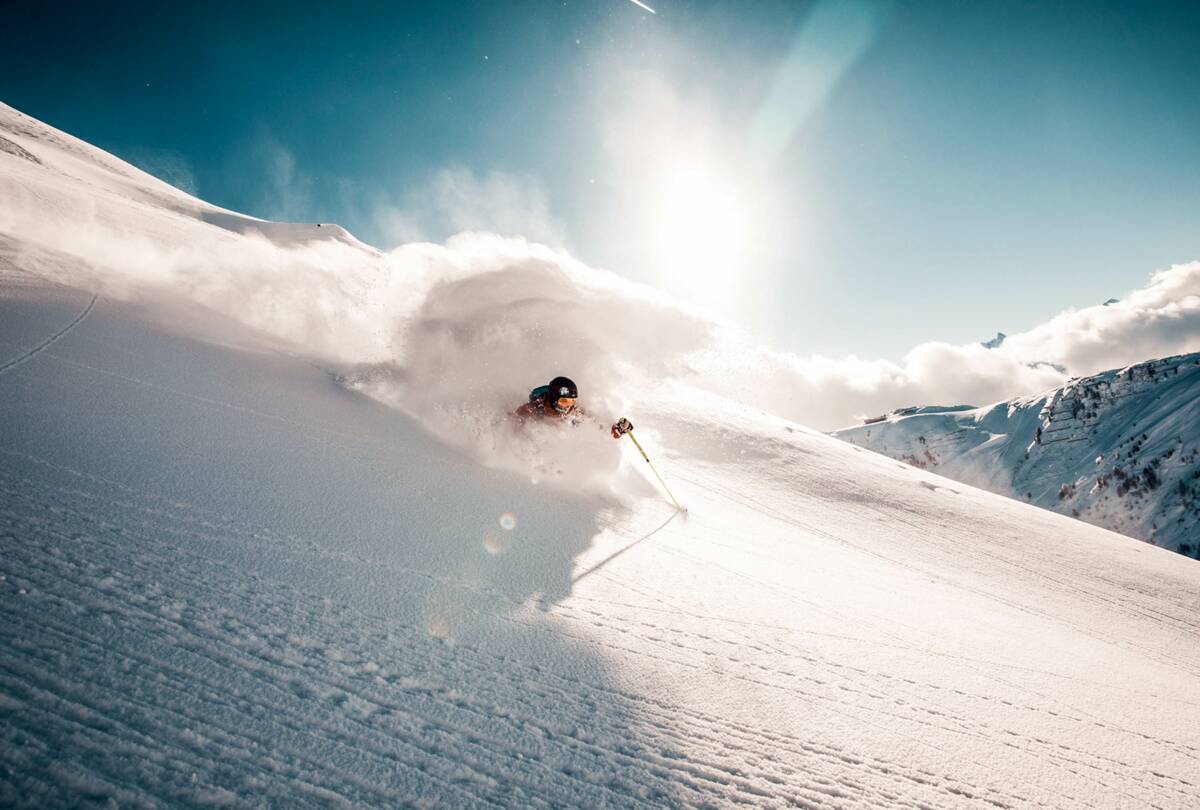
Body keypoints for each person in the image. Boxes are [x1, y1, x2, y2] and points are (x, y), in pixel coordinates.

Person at [514, 376, 631, 439]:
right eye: (564, 402)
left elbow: (595, 424)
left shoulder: (572, 411)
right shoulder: (535, 408)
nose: (568, 407)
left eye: (572, 402)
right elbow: (514, 420)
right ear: (554, 398)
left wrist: (616, 429)